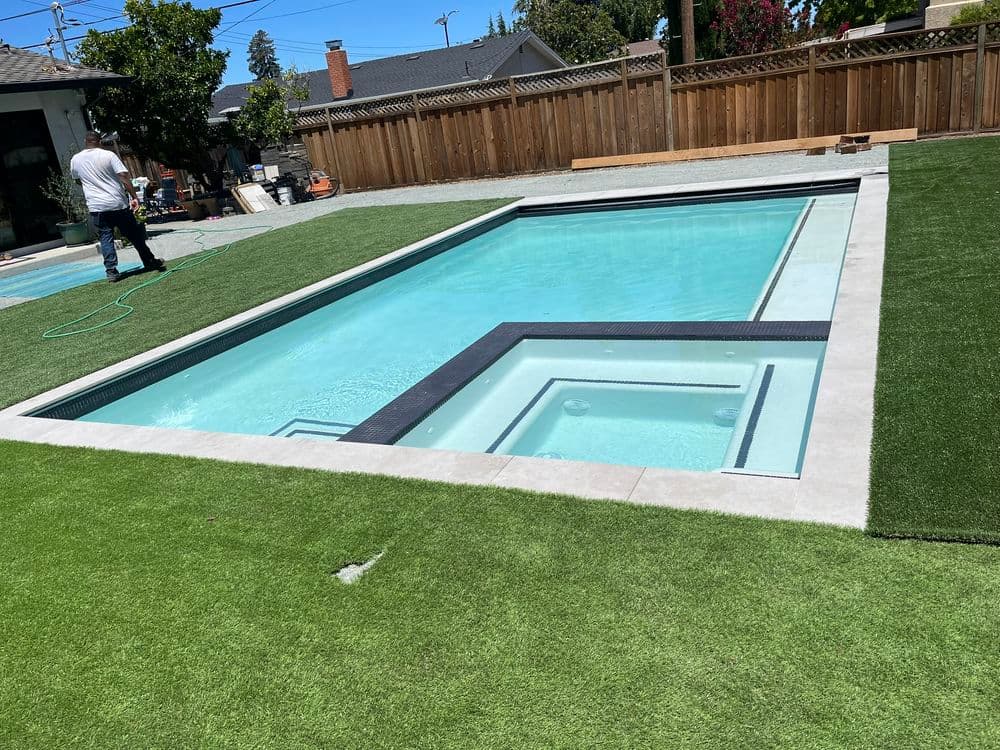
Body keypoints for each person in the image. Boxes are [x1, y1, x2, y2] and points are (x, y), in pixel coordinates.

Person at [70, 131, 166, 282]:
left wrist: (91, 185)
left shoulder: (76, 159)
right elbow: (123, 177)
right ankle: (149, 260)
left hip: (97, 206)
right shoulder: (108, 156)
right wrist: (134, 197)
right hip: (117, 203)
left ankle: (111, 271)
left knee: (106, 238)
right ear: (99, 141)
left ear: (85, 141)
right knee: (134, 234)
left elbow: (77, 180)